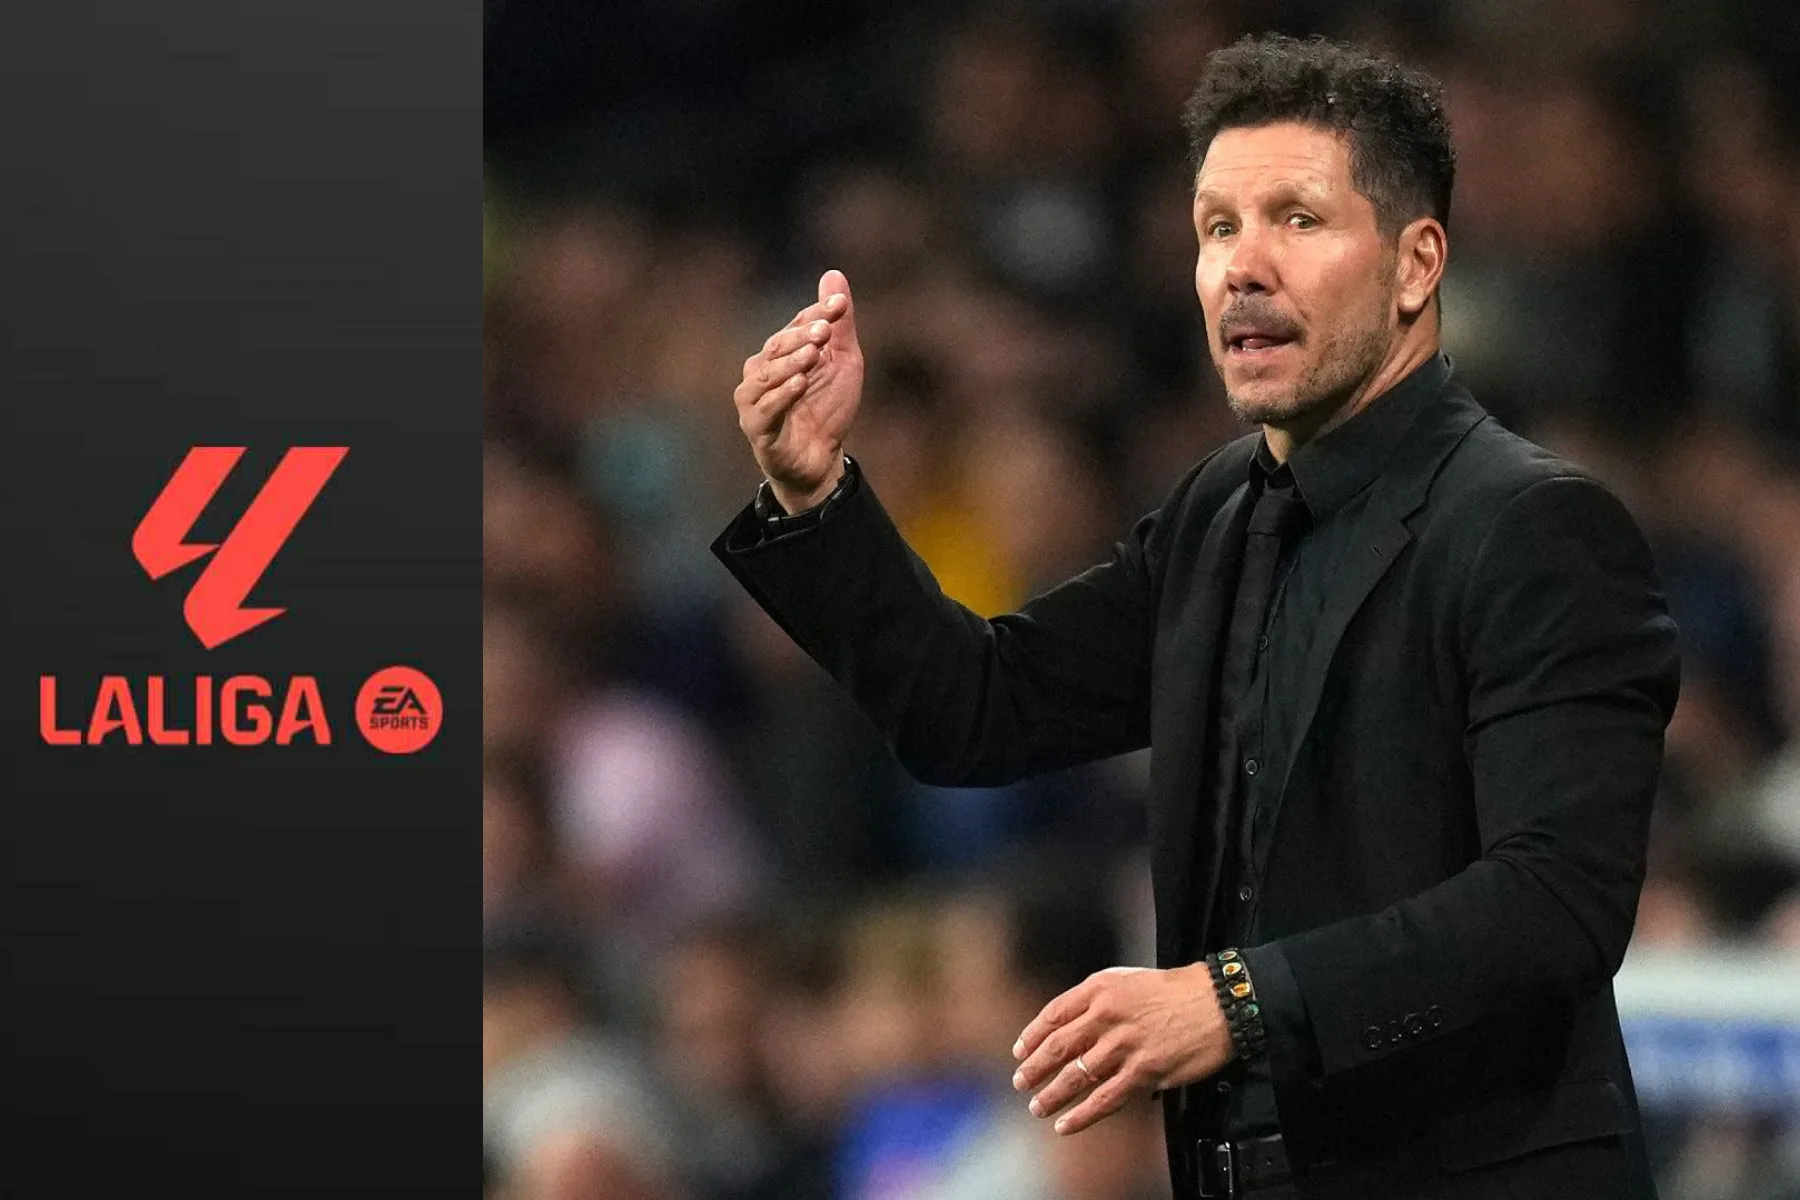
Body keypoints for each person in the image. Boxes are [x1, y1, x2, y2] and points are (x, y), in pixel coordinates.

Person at [712, 32, 1680, 1200]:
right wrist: (816, 496)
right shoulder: (1217, 516)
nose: (1241, 267)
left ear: (1416, 263)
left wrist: (1237, 1000)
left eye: (1297, 220)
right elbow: (979, 710)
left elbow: (1554, 905)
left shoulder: (1534, 526)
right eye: (1217, 227)